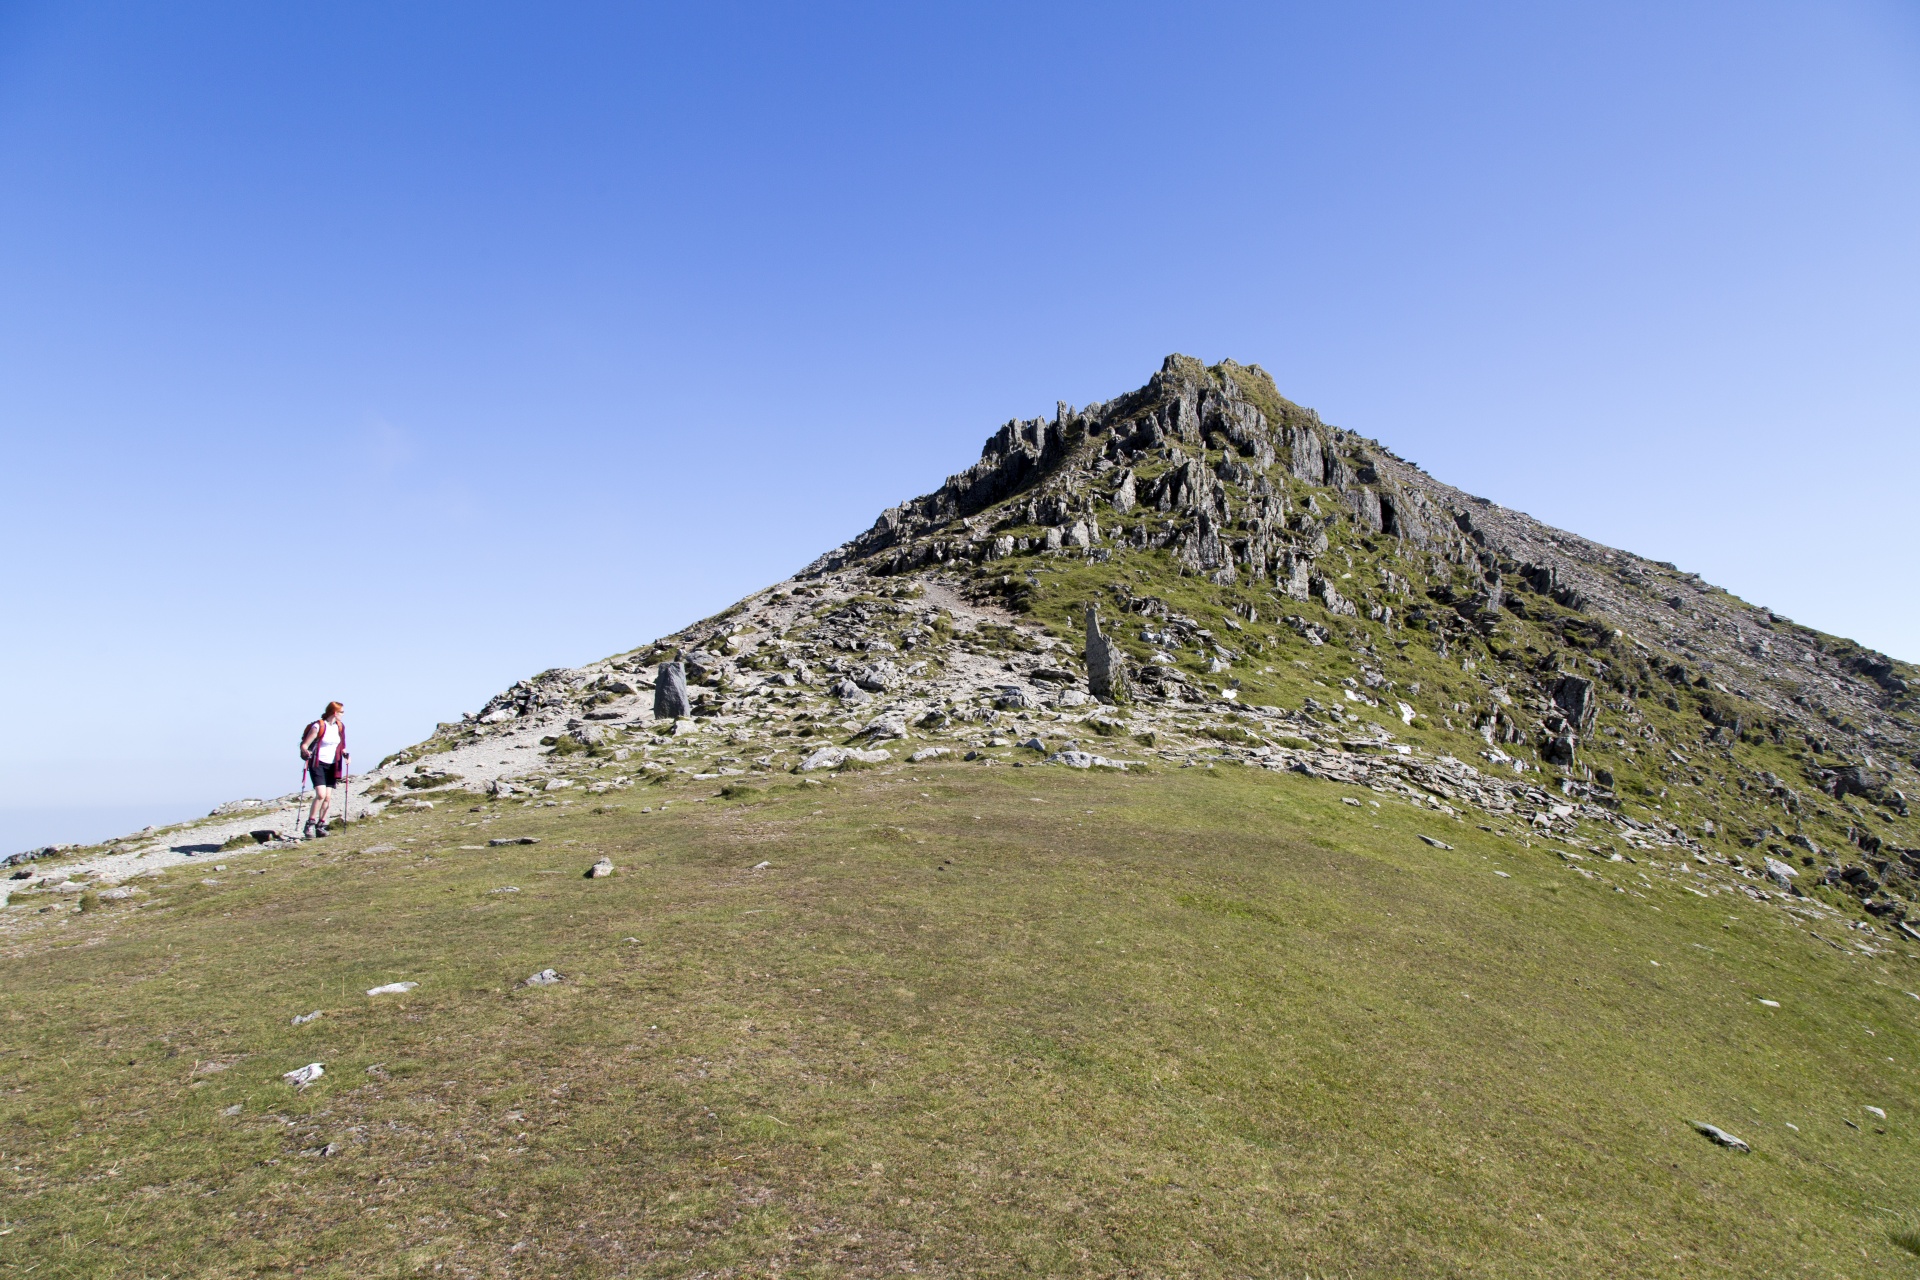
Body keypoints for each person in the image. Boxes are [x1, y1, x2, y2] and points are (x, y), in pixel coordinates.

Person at [300, 702, 349, 838]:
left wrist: (345, 754)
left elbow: (342, 744)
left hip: (333, 764)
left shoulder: (339, 727)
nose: (343, 715)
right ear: (335, 712)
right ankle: (310, 823)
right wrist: (306, 751)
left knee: (328, 797)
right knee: (321, 795)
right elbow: (305, 745)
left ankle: (320, 826)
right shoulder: (319, 726)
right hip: (318, 763)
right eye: (342, 712)